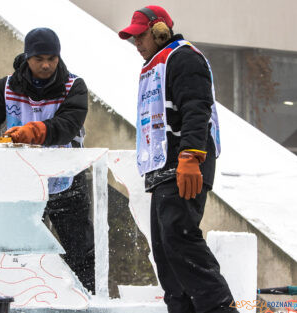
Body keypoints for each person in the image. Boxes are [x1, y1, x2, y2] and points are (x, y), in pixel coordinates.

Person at [119, 6, 237, 313]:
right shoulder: (155, 65)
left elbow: (197, 107)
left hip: (184, 165)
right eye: (133, 38)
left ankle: (220, 309)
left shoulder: (184, 57)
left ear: (160, 31)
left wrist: (190, 156)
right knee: (166, 252)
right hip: (163, 168)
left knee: (181, 241)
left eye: (141, 35)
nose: (137, 43)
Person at [0, 27, 95, 293]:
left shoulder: (73, 86)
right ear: (27, 57)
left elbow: (69, 123)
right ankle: (24, 296)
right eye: (39, 59)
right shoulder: (6, 86)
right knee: (21, 249)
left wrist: (35, 131)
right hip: (22, 182)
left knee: (80, 250)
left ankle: (86, 298)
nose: (46, 65)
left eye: (52, 59)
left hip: (66, 180)